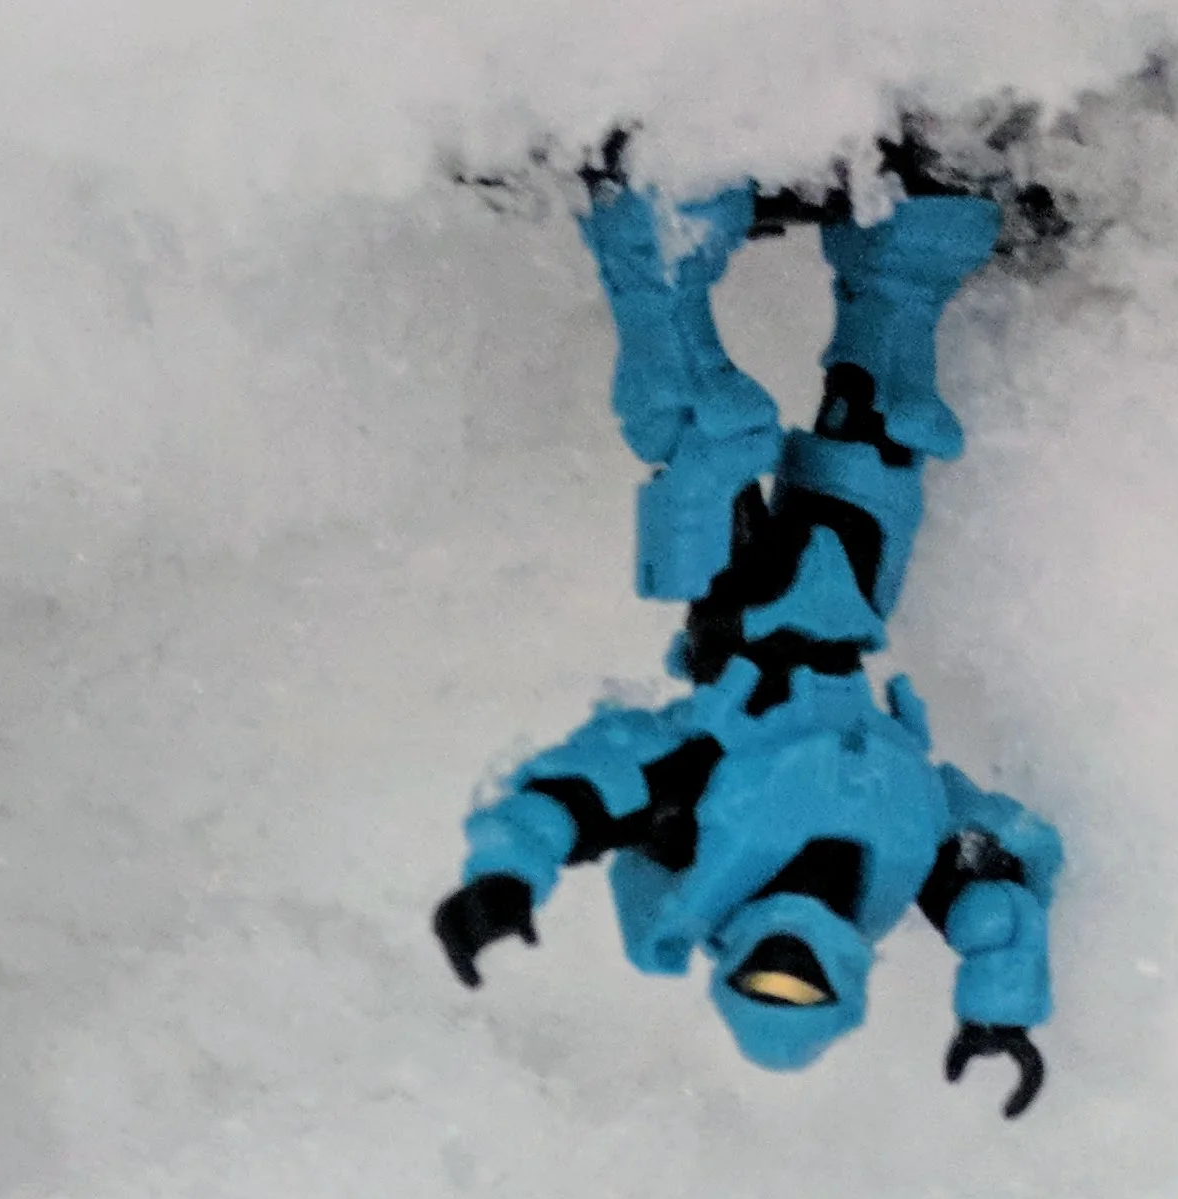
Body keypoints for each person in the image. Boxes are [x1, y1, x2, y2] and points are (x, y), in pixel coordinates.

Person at [434, 147, 1065, 1118]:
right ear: (845, 986)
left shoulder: (704, 840)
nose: (786, 965)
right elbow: (996, 894)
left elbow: (581, 790)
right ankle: (916, 235)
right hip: (847, 615)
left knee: (702, 433)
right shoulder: (902, 866)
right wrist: (997, 1009)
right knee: (880, 430)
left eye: (762, 983)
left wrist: (506, 878)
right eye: (803, 989)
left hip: (739, 615)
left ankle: (658, 220)